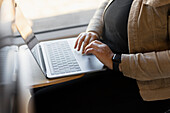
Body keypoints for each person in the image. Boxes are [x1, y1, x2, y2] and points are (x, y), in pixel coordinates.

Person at [29, 0, 170, 113]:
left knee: (41, 102)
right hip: (105, 62)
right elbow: (106, 5)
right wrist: (92, 31)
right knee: (34, 88)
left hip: (139, 84)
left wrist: (116, 61)